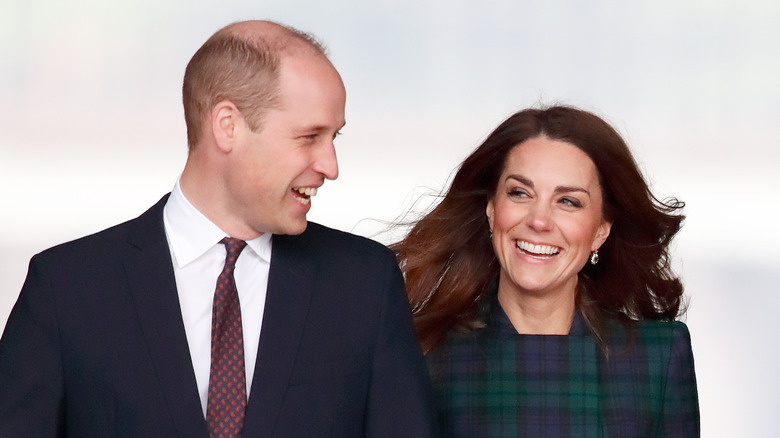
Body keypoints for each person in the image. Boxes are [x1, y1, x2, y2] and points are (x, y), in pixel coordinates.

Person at [0, 20, 437, 437]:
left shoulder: (364, 284)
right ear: (228, 126)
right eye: (309, 137)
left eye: (334, 138)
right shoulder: (67, 288)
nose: (330, 167)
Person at [393, 105, 699, 437]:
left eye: (568, 201)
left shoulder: (659, 358)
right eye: (520, 193)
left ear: (601, 229)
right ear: (492, 209)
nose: (539, 220)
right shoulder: (423, 354)